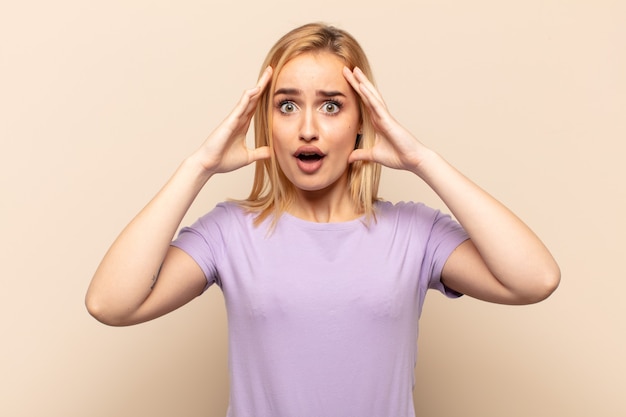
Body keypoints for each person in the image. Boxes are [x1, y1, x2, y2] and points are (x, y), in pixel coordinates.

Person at [86, 22, 560, 417]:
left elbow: (535, 279)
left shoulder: (415, 233)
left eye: (331, 105)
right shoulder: (230, 231)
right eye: (287, 105)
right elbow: (110, 304)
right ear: (266, 120)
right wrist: (198, 167)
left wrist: (422, 160)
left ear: (361, 120)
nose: (307, 128)